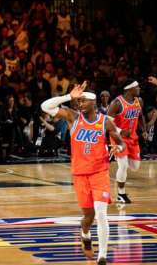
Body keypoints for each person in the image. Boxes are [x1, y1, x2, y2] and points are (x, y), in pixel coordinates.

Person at [41, 81, 125, 265]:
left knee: (101, 214)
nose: (80, 104)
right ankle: (85, 233)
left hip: (99, 173)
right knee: (88, 217)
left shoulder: (105, 123)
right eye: (78, 101)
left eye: (83, 101)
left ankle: (102, 256)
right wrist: (68, 97)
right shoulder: (73, 117)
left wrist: (118, 147)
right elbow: (45, 106)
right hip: (80, 174)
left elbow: (120, 141)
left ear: (93, 103)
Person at [107, 80, 147, 204]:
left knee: (135, 167)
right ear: (129, 89)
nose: (139, 89)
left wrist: (144, 130)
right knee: (123, 165)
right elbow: (107, 123)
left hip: (132, 137)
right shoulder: (116, 103)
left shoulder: (138, 101)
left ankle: (119, 172)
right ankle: (121, 193)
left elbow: (140, 116)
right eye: (137, 87)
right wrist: (120, 131)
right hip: (118, 137)